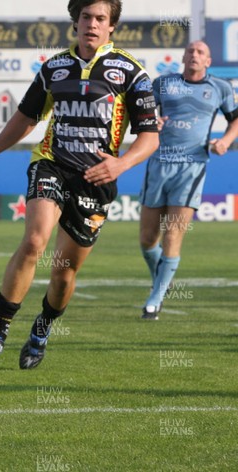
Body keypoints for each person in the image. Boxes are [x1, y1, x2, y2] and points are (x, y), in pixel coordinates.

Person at [0, 0, 159, 369]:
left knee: (64, 270)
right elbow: (26, 117)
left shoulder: (132, 72)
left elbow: (150, 137)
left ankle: (42, 328)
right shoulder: (54, 67)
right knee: (35, 241)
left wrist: (121, 164)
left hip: (96, 180)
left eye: (101, 18)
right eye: (86, 16)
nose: (92, 24)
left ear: (111, 26)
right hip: (51, 165)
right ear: (75, 21)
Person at [139, 40, 238, 320]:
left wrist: (226, 141)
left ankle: (154, 302)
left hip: (192, 166)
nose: (195, 55)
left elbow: (236, 120)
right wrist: (150, 123)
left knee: (173, 233)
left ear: (208, 61)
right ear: (183, 57)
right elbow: (142, 115)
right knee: (147, 238)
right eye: (191, 51)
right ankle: (161, 279)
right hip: (158, 164)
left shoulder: (220, 88)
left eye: (201, 52)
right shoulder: (162, 84)